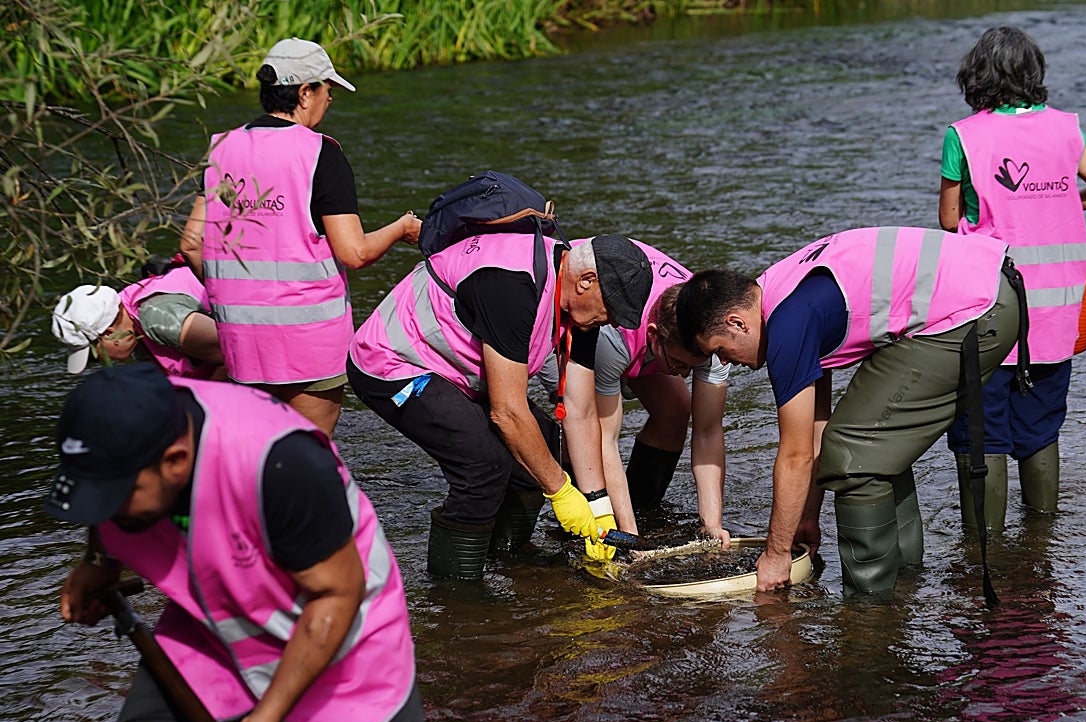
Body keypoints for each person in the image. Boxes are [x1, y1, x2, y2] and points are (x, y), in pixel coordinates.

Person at [46, 364, 448, 722]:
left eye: (115, 498)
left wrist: (265, 719)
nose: (105, 510)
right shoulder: (123, 424)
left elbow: (336, 595)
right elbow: (100, 491)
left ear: (175, 461)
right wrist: (100, 562)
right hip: (210, 631)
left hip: (342, 636)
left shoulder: (281, 460)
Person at [675, 226, 1027, 595]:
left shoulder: (788, 325)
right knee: (873, 442)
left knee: (853, 451)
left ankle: (870, 611)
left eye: (719, 349)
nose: (727, 362)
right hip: (990, 285)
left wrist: (777, 554)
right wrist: (807, 515)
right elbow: (814, 431)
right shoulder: (779, 292)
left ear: (736, 322)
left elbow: (794, 456)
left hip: (976, 310)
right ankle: (904, 581)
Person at [347, 231, 653, 581]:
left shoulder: (581, 310)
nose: (613, 323)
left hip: (461, 370)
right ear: (586, 281)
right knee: (484, 464)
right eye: (613, 311)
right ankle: (457, 592)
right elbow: (507, 412)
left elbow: (580, 412)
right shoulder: (512, 286)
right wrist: (561, 490)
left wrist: (599, 508)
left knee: (542, 443)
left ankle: (507, 560)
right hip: (396, 363)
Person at [179, 37, 422, 437]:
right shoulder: (320, 153)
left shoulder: (220, 148)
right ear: (305, 92)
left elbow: (191, 243)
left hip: (241, 341)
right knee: (308, 463)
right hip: (309, 347)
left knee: (254, 461)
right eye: (328, 90)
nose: (330, 101)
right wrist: (401, 229)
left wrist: (236, 295)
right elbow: (355, 253)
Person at [939, 25, 1086, 531]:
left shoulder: (964, 135)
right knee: (1041, 426)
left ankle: (988, 547)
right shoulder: (1067, 128)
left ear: (977, 75)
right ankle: (1041, 539)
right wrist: (1062, 201)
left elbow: (949, 218)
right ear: (1032, 74)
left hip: (987, 306)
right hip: (1057, 312)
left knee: (983, 430)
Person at [545, 241, 732, 543]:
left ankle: (644, 508)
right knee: (582, 430)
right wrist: (629, 535)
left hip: (642, 341)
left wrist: (711, 523)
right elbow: (604, 440)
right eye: (679, 364)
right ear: (655, 337)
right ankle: (579, 532)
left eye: (692, 367)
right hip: (589, 323)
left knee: (676, 407)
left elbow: (708, 431)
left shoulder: (713, 338)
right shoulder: (612, 339)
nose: (684, 374)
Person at [51, 257, 224, 379]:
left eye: (94, 355)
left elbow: (238, 355)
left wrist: (201, 405)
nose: (103, 361)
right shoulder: (134, 326)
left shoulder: (158, 319)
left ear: (110, 333)